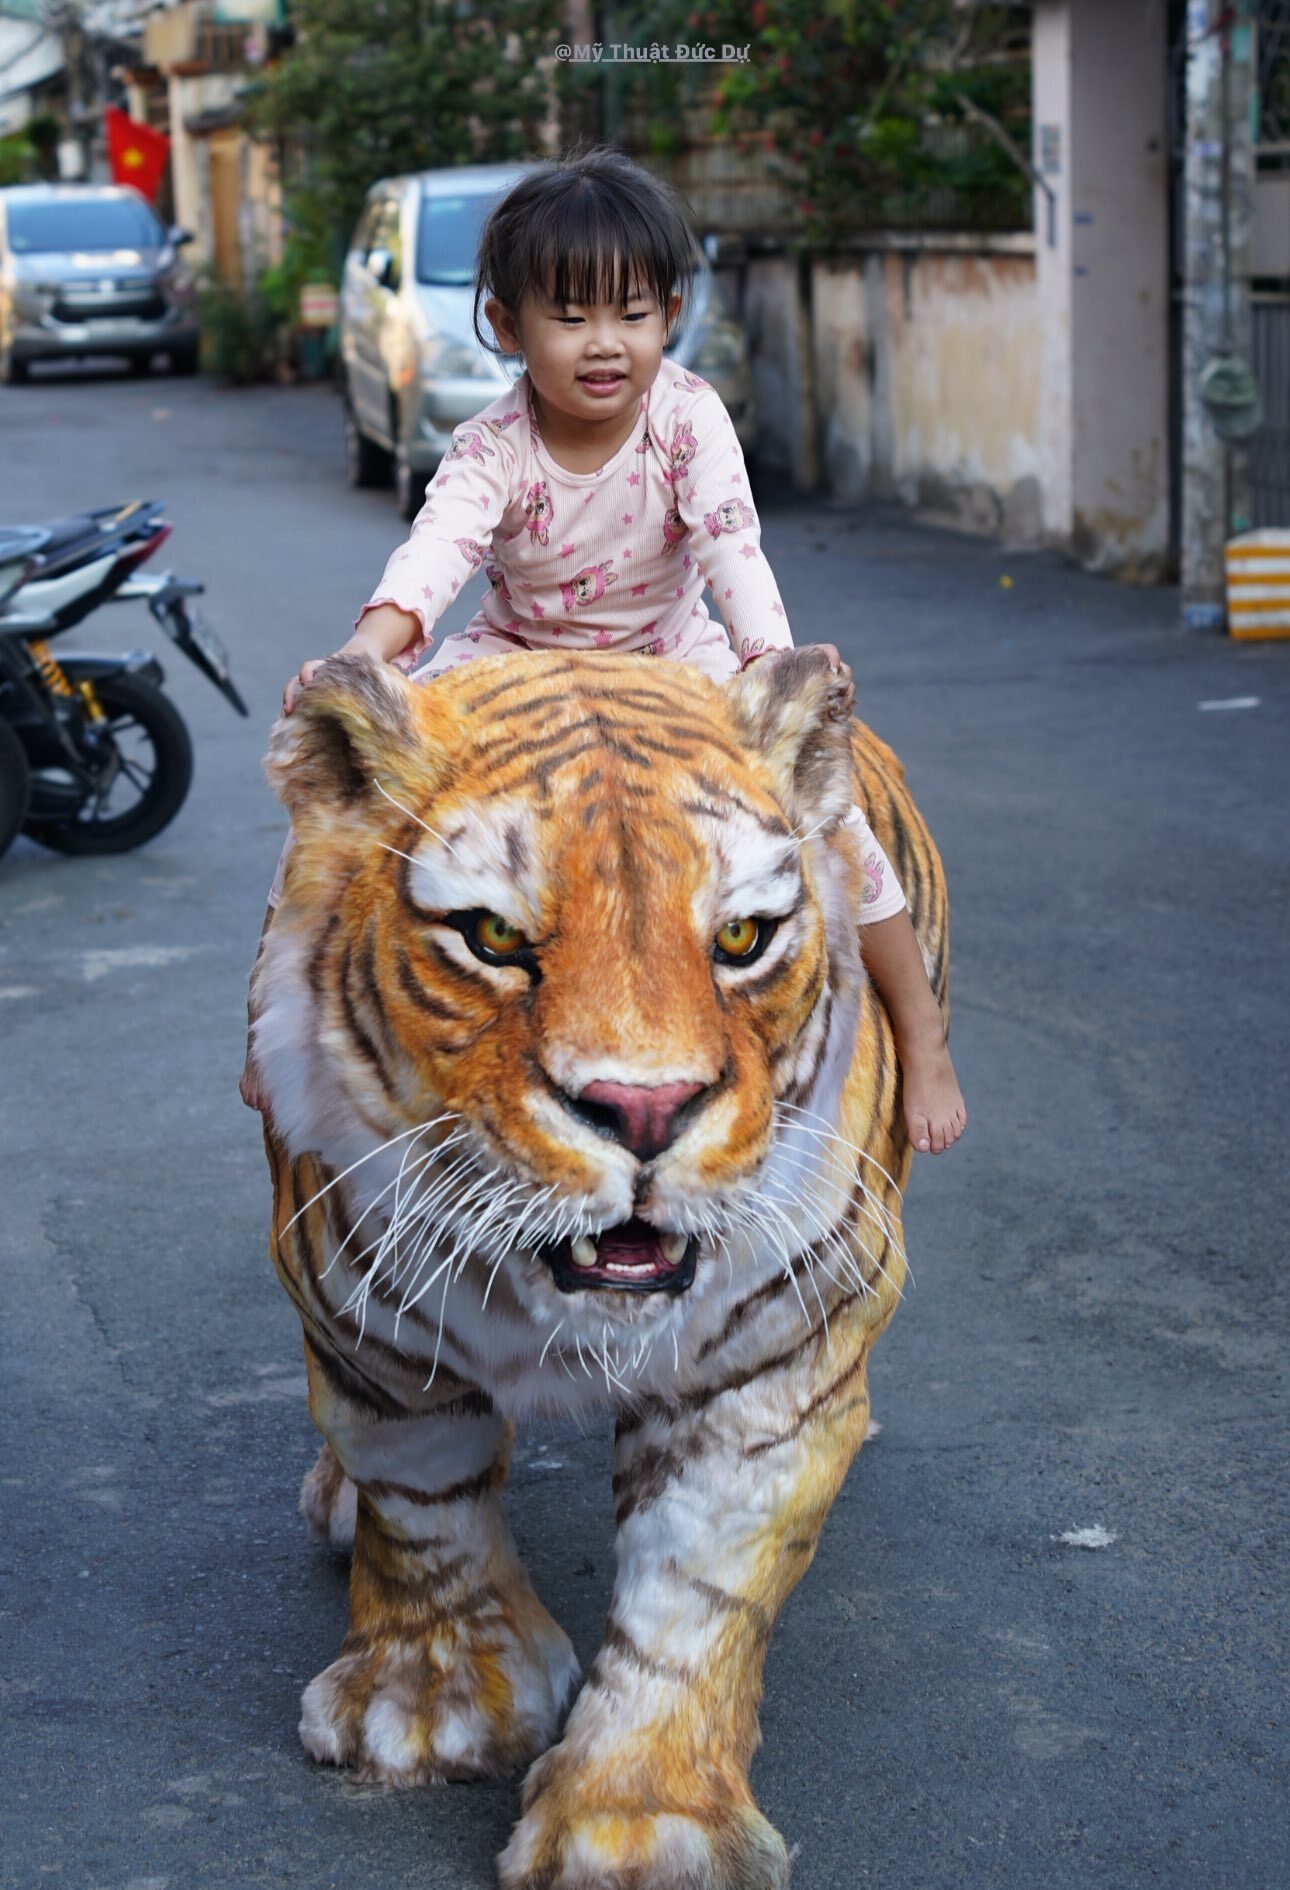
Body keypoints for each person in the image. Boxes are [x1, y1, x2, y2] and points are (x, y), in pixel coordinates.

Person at [242, 148, 966, 1155]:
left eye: (630, 314)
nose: (603, 344)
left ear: (668, 314)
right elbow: (435, 553)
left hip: (673, 655)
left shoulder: (688, 418)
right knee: (340, 795)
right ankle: (266, 1022)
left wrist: (775, 667)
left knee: (838, 831)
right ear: (506, 325)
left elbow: (732, 546)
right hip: (516, 657)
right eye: (569, 316)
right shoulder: (492, 446)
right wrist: (363, 653)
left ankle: (924, 1037)